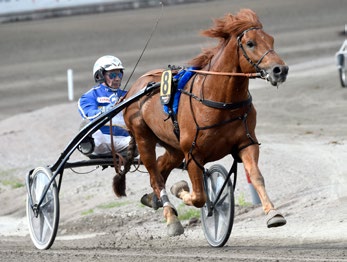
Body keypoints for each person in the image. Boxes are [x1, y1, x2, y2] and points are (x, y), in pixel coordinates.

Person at [78, 55, 132, 157]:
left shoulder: (129, 95)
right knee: (85, 123)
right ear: (100, 76)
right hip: (100, 140)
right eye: (112, 75)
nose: (117, 79)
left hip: (125, 141)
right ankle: (87, 146)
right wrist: (105, 110)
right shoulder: (89, 96)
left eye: (119, 75)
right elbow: (88, 115)